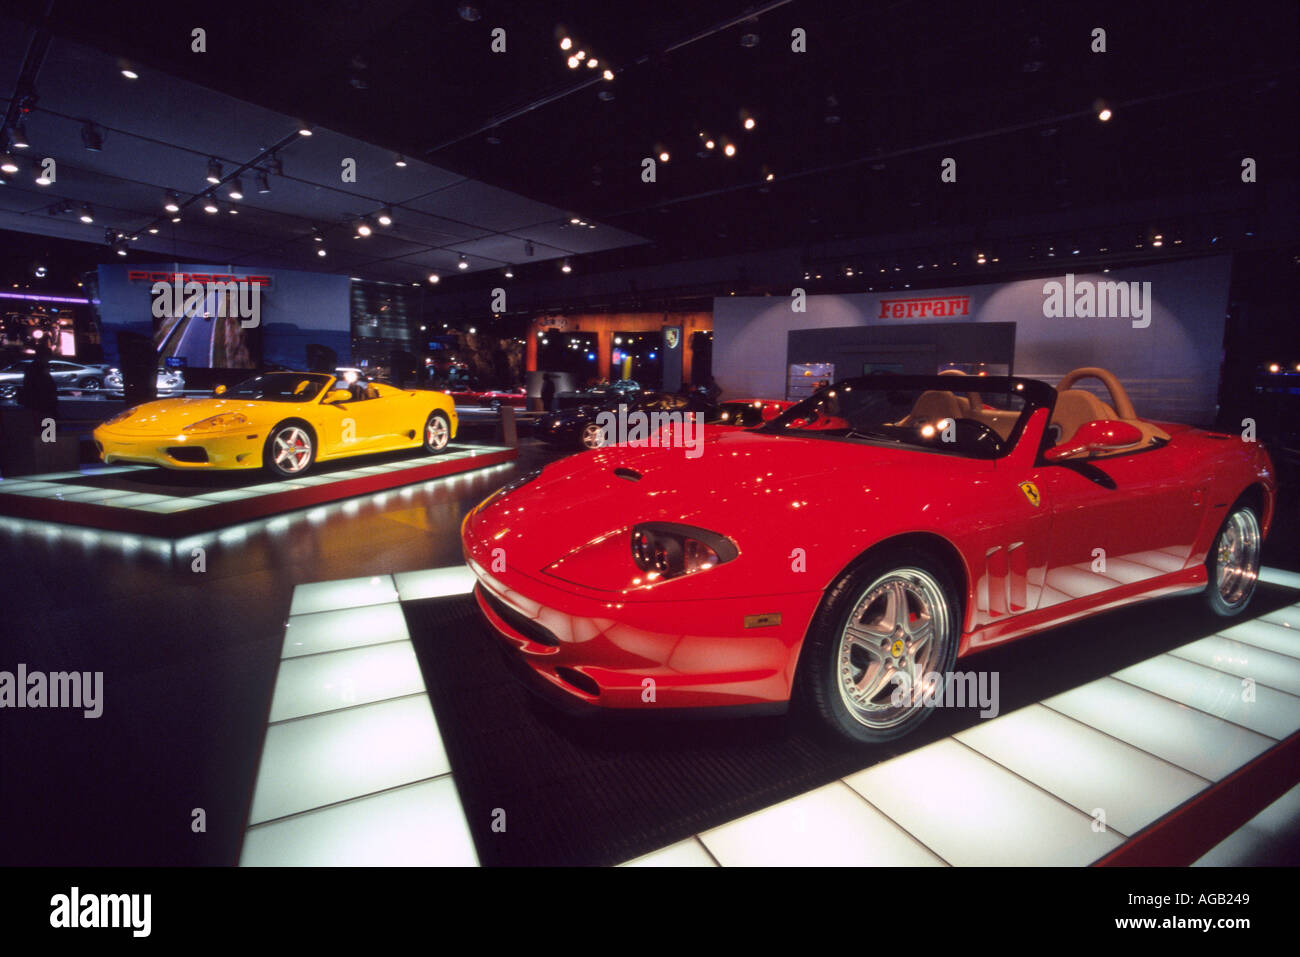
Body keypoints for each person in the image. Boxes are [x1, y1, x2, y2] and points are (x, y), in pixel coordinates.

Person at [18, 350, 58, 423]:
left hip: (41, 401)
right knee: (44, 419)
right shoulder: (38, 369)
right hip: (42, 401)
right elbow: (42, 385)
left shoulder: (33, 368)